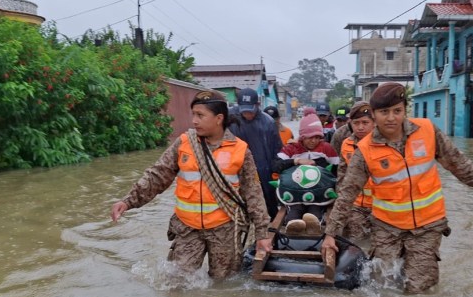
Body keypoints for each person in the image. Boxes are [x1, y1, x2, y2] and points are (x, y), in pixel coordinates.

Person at [322, 82, 473, 293]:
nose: (391, 118)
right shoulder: (365, 150)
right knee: (383, 287)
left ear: (405, 110)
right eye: (384, 112)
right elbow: (348, 192)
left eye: (397, 111)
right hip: (386, 227)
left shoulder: (427, 131)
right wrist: (331, 234)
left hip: (427, 226)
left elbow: (457, 162)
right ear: (375, 114)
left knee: (419, 289)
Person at [110, 90, 273, 279]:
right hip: (187, 228)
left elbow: (253, 193)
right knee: (176, 282)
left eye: (200, 115)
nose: (194, 121)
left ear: (219, 118)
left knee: (224, 284)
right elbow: (157, 175)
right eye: (193, 114)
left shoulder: (240, 150)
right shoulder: (184, 143)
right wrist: (128, 201)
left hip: (225, 230)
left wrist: (262, 234)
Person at [272, 107, 339, 233]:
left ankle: (314, 225)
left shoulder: (326, 149)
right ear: (302, 136)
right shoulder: (291, 149)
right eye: (309, 137)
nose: (313, 141)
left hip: (317, 194)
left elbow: (337, 169)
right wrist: (296, 161)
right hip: (294, 194)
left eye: (317, 137)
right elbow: (275, 165)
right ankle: (292, 225)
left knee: (315, 211)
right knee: (294, 210)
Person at [229, 88, 283, 220]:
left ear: (258, 105)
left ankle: (272, 228)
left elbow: (277, 150)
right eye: (244, 110)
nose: (247, 113)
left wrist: (277, 171)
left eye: (250, 110)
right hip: (237, 167)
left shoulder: (268, 122)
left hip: (263, 168)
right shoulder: (230, 118)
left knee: (268, 203)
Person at [337, 101, 375, 243]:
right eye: (356, 123)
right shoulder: (346, 144)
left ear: (374, 123)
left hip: (380, 206)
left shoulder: (385, 143)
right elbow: (342, 177)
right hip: (356, 205)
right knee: (356, 242)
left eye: (365, 122)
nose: (360, 127)